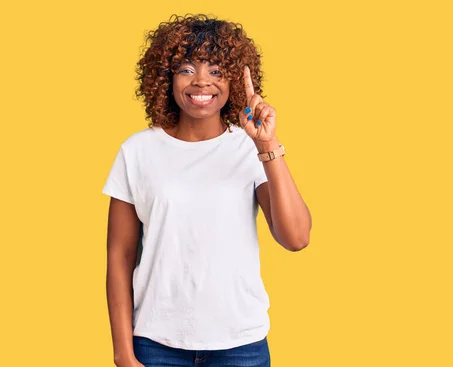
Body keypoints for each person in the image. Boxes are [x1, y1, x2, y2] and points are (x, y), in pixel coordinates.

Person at [103, 14, 312, 367]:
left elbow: (296, 237)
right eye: (186, 69)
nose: (201, 81)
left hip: (241, 346)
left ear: (233, 79)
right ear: (165, 77)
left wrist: (268, 143)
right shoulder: (137, 151)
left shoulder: (249, 148)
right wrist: (123, 353)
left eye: (216, 70)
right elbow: (119, 258)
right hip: (156, 345)